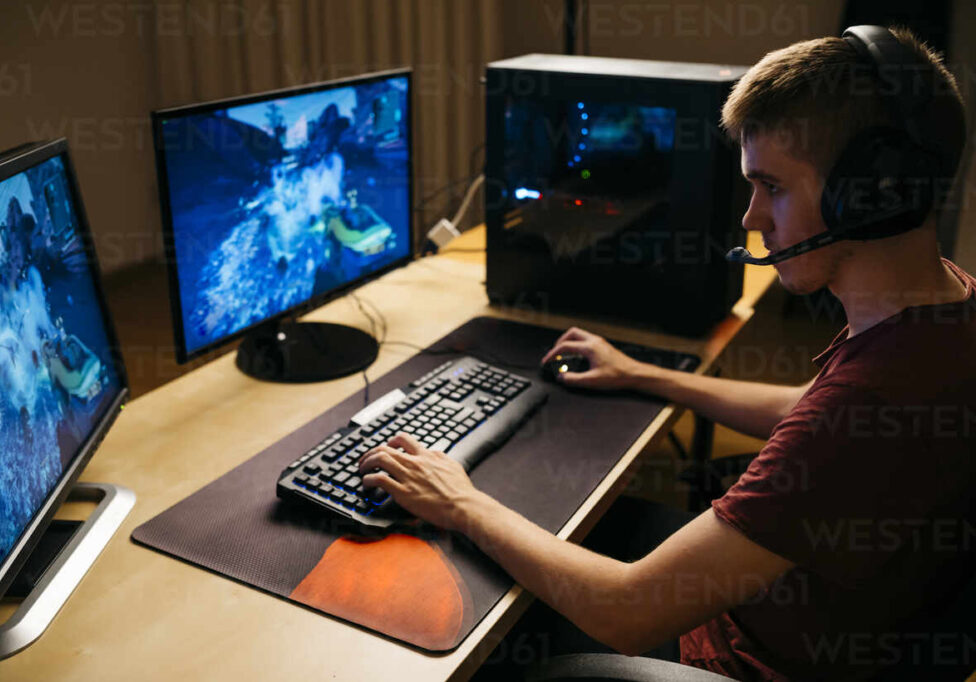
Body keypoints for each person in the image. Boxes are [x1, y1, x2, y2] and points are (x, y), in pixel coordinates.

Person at [358, 25, 975, 680]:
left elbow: (628, 613)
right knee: (570, 525)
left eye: (773, 187)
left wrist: (459, 500)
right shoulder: (946, 305)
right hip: (789, 614)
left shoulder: (869, 403)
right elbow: (806, 407)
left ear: (871, 196)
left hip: (738, 656)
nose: (751, 219)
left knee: (460, 626)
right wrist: (646, 375)